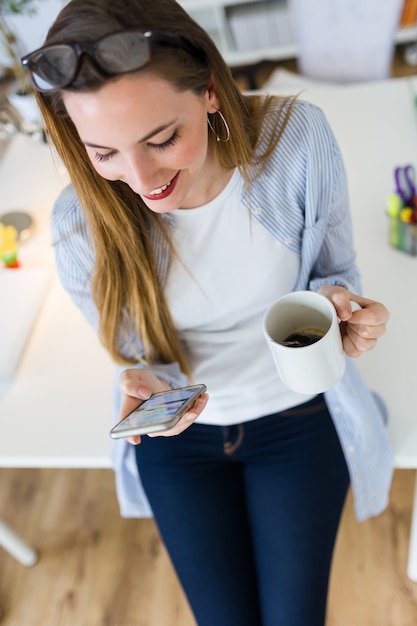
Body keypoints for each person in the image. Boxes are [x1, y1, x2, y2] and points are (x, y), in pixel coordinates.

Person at [22, 1, 392, 624]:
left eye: (161, 138)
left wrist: (341, 309)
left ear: (212, 91)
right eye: (103, 152)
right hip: (181, 439)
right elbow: (134, 354)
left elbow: (337, 274)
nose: (140, 179)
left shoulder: (296, 142)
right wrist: (140, 378)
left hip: (297, 414)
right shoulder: (78, 227)